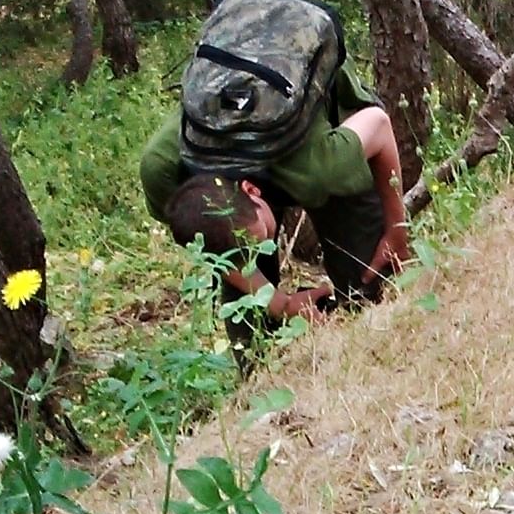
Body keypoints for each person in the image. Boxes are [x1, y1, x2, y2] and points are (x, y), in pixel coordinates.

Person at [139, 44, 410, 337]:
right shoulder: (164, 174)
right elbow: (210, 245)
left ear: (253, 190)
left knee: (370, 282)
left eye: (265, 237)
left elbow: (379, 124)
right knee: (247, 320)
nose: (264, 248)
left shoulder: (317, 167)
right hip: (232, 104)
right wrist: (279, 303)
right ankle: (261, 373)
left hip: (308, 86)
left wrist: (397, 228)